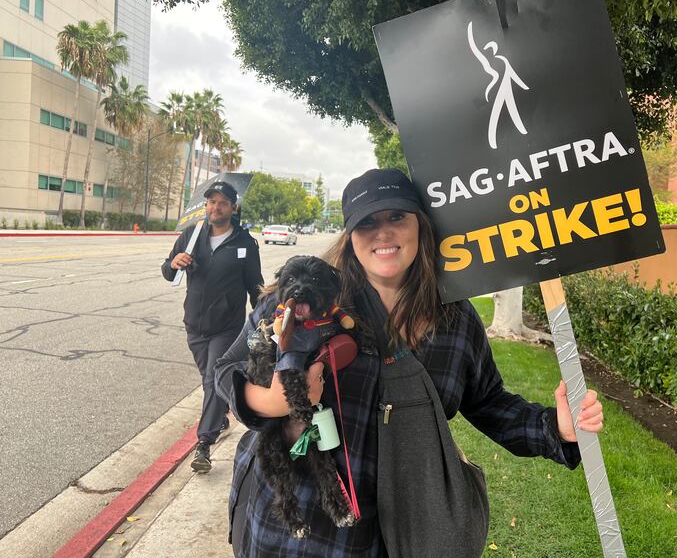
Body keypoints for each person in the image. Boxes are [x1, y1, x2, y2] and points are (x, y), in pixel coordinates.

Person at [215, 168, 604, 557]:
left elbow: (488, 402)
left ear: (421, 224)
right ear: (350, 236)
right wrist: (269, 401)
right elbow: (225, 368)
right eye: (367, 222)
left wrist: (556, 428)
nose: (383, 233)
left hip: (399, 533)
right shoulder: (304, 297)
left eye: (397, 217)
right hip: (291, 532)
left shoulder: (455, 318)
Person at [162, 180, 263, 473]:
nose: (215, 207)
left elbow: (254, 286)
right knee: (211, 382)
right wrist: (174, 264)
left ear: (233, 207)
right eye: (211, 202)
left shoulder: (245, 243)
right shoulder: (191, 236)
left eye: (222, 203)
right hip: (194, 323)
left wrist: (265, 319)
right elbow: (168, 272)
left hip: (227, 327)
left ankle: (204, 445)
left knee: (212, 380)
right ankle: (219, 419)